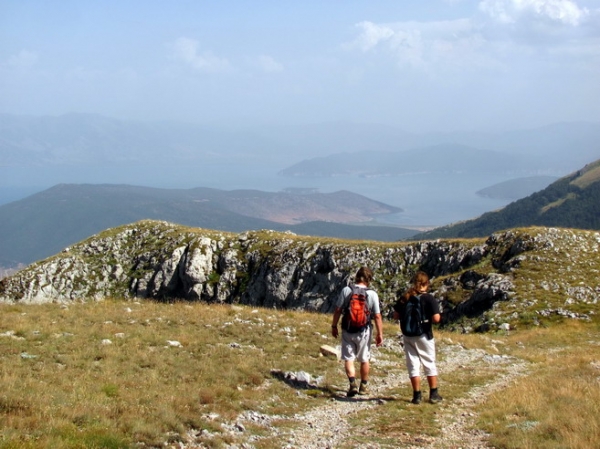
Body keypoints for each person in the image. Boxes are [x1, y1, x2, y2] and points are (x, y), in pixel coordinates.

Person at [331, 266, 383, 397]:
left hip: (348, 329)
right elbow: (377, 316)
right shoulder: (372, 294)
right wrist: (379, 334)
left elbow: (338, 310)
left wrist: (334, 326)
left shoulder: (346, 290)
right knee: (365, 358)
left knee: (349, 358)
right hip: (364, 331)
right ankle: (364, 386)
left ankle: (352, 384)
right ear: (369, 279)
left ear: (357, 277)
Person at [393, 271, 442, 404]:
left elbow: (395, 315)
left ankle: (417, 396)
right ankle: (434, 394)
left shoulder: (405, 297)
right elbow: (436, 318)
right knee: (428, 362)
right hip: (424, 334)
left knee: (413, 364)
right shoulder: (429, 298)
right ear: (426, 284)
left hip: (408, 335)